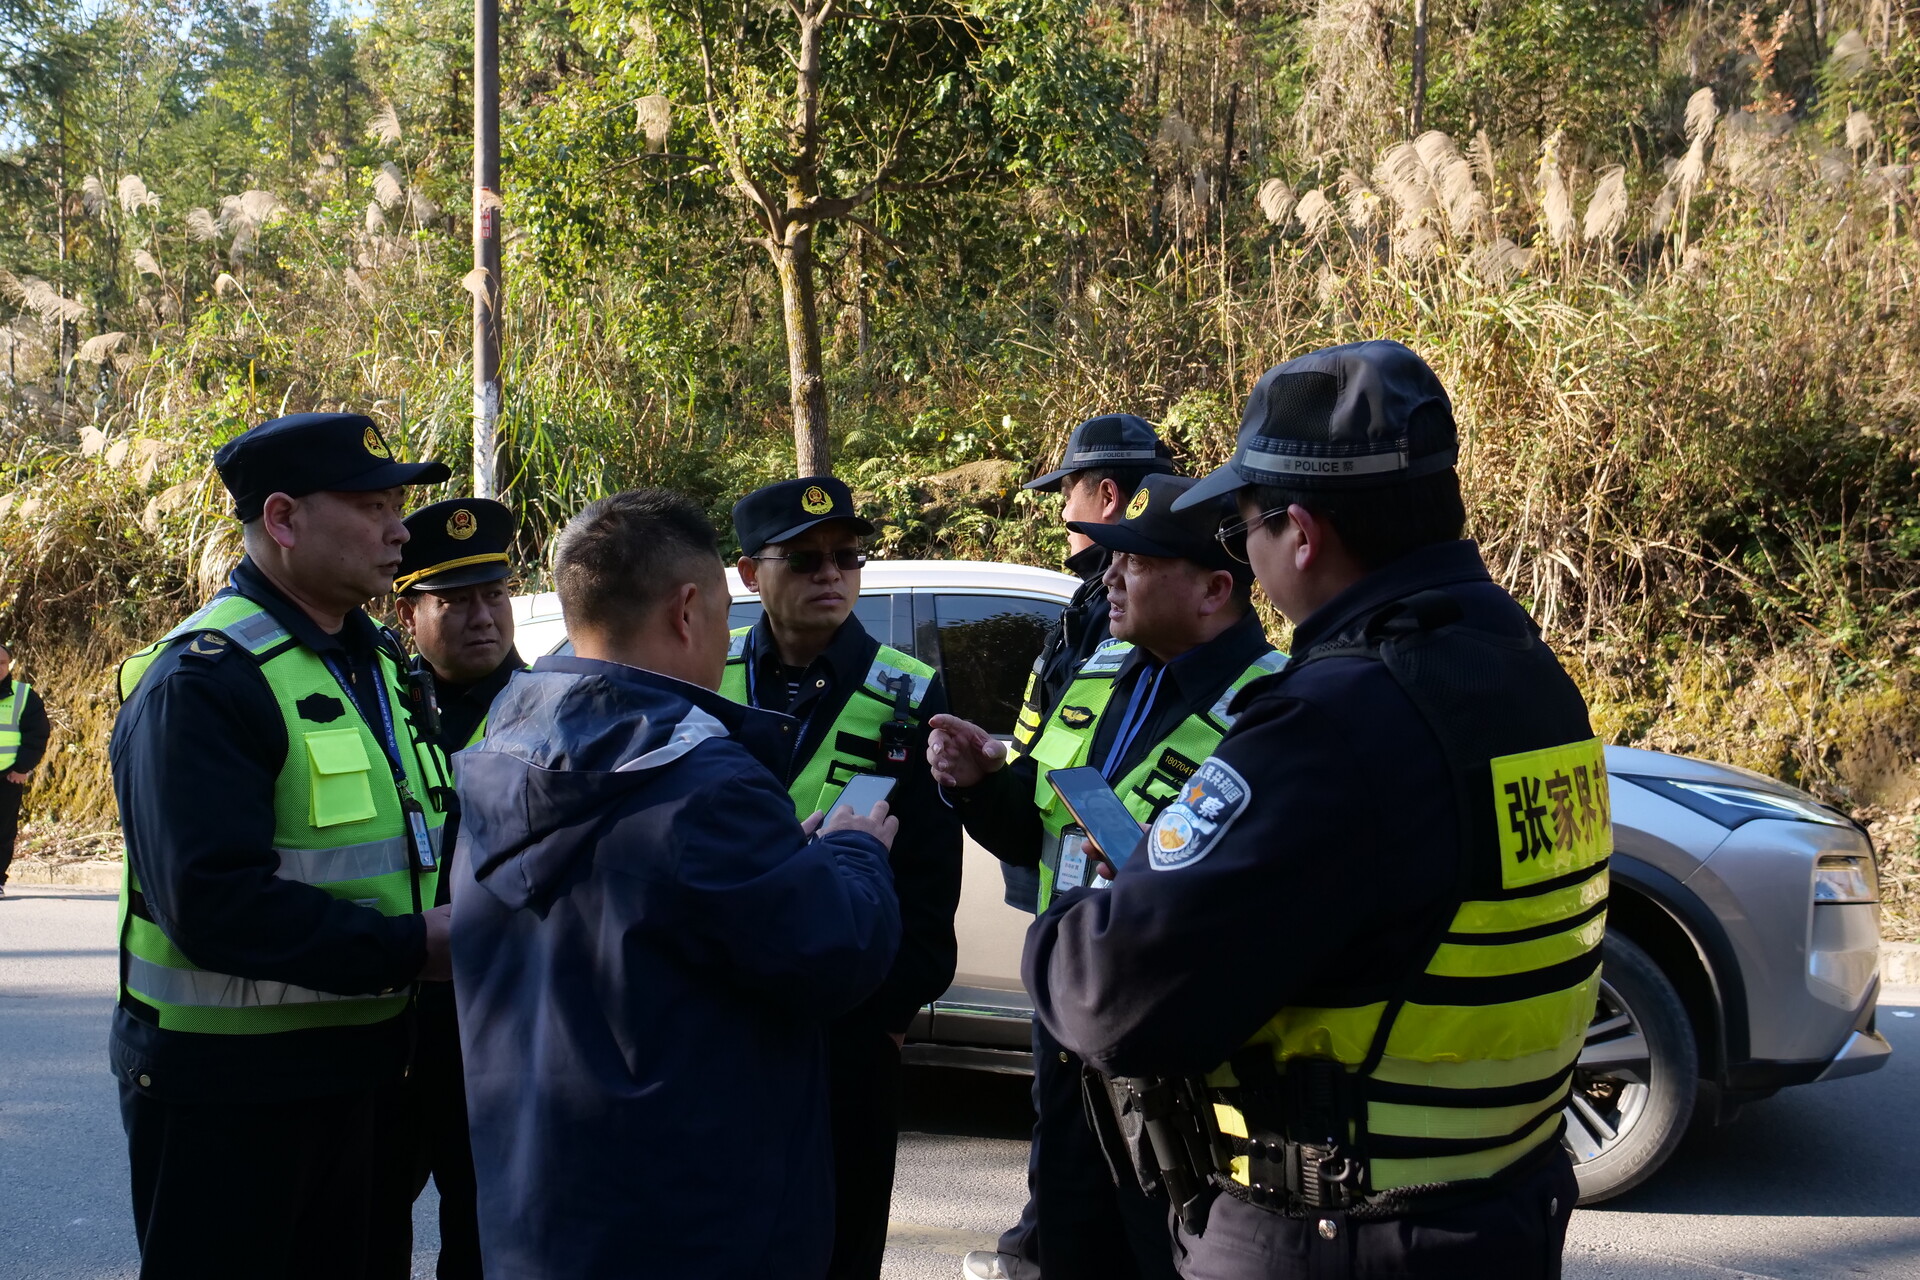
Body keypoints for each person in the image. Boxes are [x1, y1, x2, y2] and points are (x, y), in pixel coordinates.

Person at [1025, 341, 1603, 1279]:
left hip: (1337, 1232)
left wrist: (1070, 920)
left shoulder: (1333, 724)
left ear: (1299, 533)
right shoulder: (1532, 682)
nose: (1240, 552)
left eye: (1241, 525)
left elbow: (1105, 995)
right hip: (1501, 1210)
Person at [450, 488, 902, 1280]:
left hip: (540, 1213)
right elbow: (838, 951)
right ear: (688, 610)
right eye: (728, 614)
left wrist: (778, 867)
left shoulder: (499, 746)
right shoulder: (702, 782)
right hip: (694, 1222)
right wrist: (856, 854)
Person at [109, 411, 456, 1279]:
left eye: (399, 505)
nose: (399, 528)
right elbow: (212, 903)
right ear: (283, 519)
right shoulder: (203, 679)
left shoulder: (373, 659)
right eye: (373, 505)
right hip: (229, 1100)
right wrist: (414, 948)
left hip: (365, 1079)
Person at [930, 473, 1283, 1280]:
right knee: (1069, 1237)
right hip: (1068, 1019)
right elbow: (1039, 832)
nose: (1110, 576)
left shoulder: (1273, 708)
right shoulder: (1103, 668)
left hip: (1175, 1056)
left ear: (1213, 588)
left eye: (1137, 562)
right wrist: (984, 782)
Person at [723, 476, 963, 1280]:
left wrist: (888, 1018)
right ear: (749, 575)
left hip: (850, 1030)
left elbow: (931, 884)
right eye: (805, 559)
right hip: (729, 1021)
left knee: (841, 1242)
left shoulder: (908, 691)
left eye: (847, 557)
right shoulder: (707, 680)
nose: (832, 574)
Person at [963, 412, 1176, 1280]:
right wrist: (991, 783)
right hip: (1061, 885)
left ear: (1110, 497)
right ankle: (1046, 1229)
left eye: (1069, 495)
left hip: (1113, 921)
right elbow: (1052, 750)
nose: (1060, 516)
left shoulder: (1119, 618)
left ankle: (1053, 1233)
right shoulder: (1089, 614)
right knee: (1063, 1103)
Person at [371, 496, 524, 1279]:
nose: (481, 617)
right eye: (454, 600)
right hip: (391, 1023)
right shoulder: (381, 714)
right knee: (362, 1230)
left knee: (487, 1241)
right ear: (410, 609)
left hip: (500, 1030)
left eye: (493, 594)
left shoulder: (551, 713)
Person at [0, 639, 51, 897]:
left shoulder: (23, 696)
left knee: (3, 830)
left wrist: (23, 768)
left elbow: (37, 735)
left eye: (3, 663)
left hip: (8, 775)